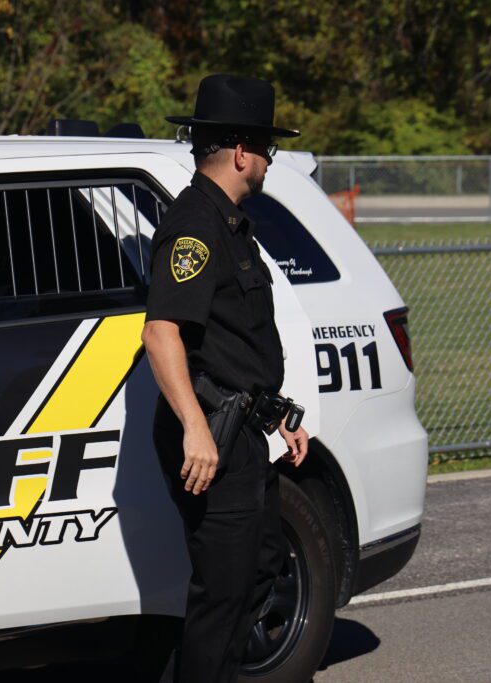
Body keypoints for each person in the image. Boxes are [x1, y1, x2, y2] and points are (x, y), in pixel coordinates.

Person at [141, 74, 310, 683]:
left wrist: (279, 413)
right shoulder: (195, 228)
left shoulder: (231, 223)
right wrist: (195, 428)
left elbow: (233, 347)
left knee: (260, 566)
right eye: (267, 148)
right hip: (212, 434)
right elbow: (161, 333)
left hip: (241, 429)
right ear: (241, 152)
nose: (269, 160)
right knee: (223, 594)